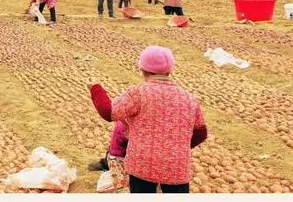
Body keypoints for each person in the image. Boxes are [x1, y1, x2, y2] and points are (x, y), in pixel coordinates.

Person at [87, 45, 208, 194]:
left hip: (142, 166)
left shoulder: (138, 93)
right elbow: (201, 133)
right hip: (176, 167)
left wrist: (96, 89)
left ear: (143, 71)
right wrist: (176, 147)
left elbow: (109, 112)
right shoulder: (188, 98)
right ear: (169, 71)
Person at [88, 121, 130, 192]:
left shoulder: (122, 121)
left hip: (113, 157)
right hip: (117, 160)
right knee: (122, 185)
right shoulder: (127, 126)